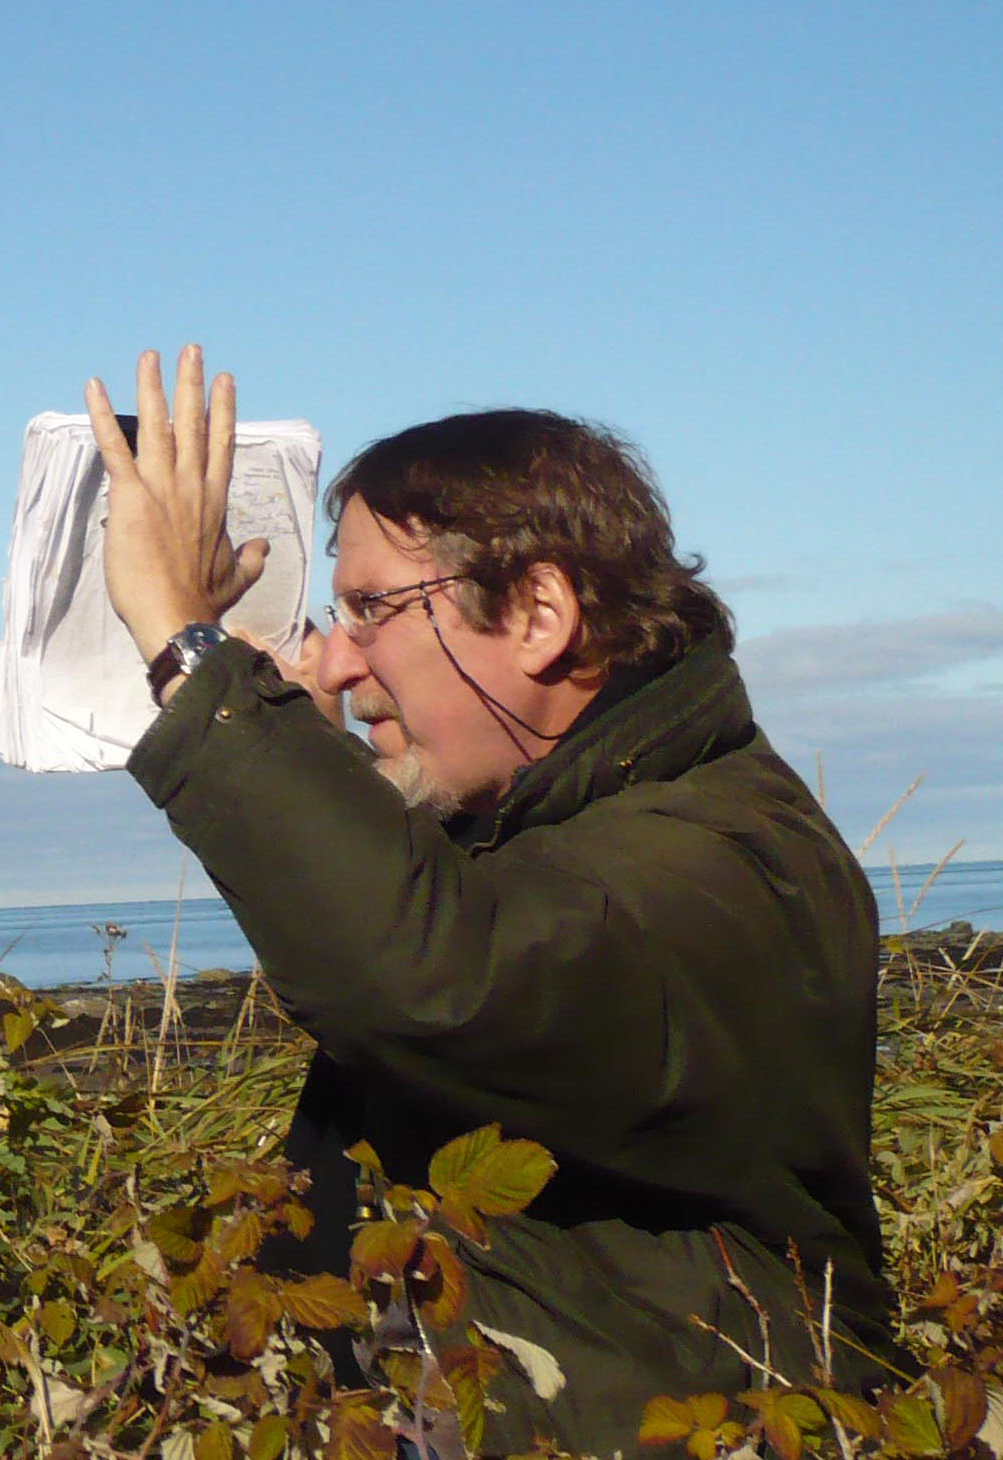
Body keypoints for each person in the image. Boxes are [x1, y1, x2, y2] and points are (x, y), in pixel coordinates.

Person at [90, 347, 894, 1449]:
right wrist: (315, 772)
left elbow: (439, 979)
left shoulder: (725, 861)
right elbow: (413, 924)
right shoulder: (574, 818)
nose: (333, 661)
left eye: (373, 606)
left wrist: (191, 651)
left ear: (538, 614)